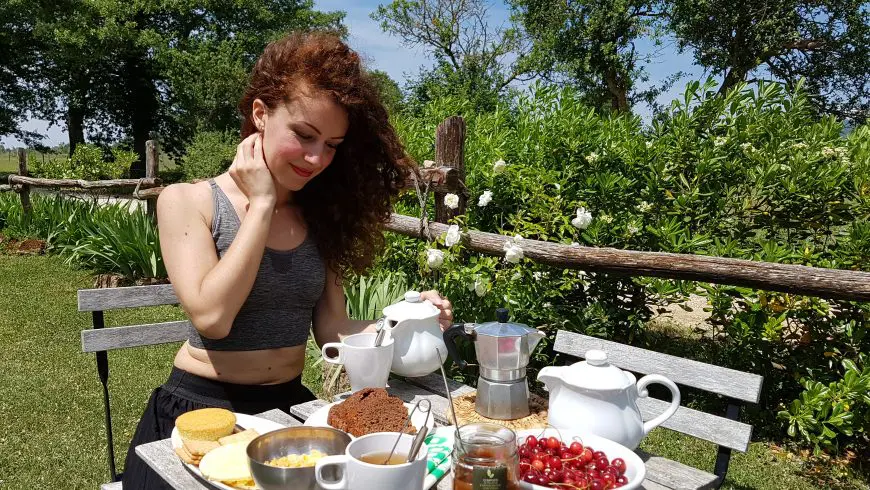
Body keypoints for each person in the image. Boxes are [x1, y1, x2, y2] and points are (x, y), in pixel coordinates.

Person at [122, 31, 453, 488]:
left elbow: (332, 331)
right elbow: (213, 317)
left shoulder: (320, 217)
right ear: (261, 114)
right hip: (203, 412)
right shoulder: (189, 201)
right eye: (303, 135)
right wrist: (261, 205)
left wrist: (407, 320)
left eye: (333, 145)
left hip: (290, 414)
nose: (318, 158)